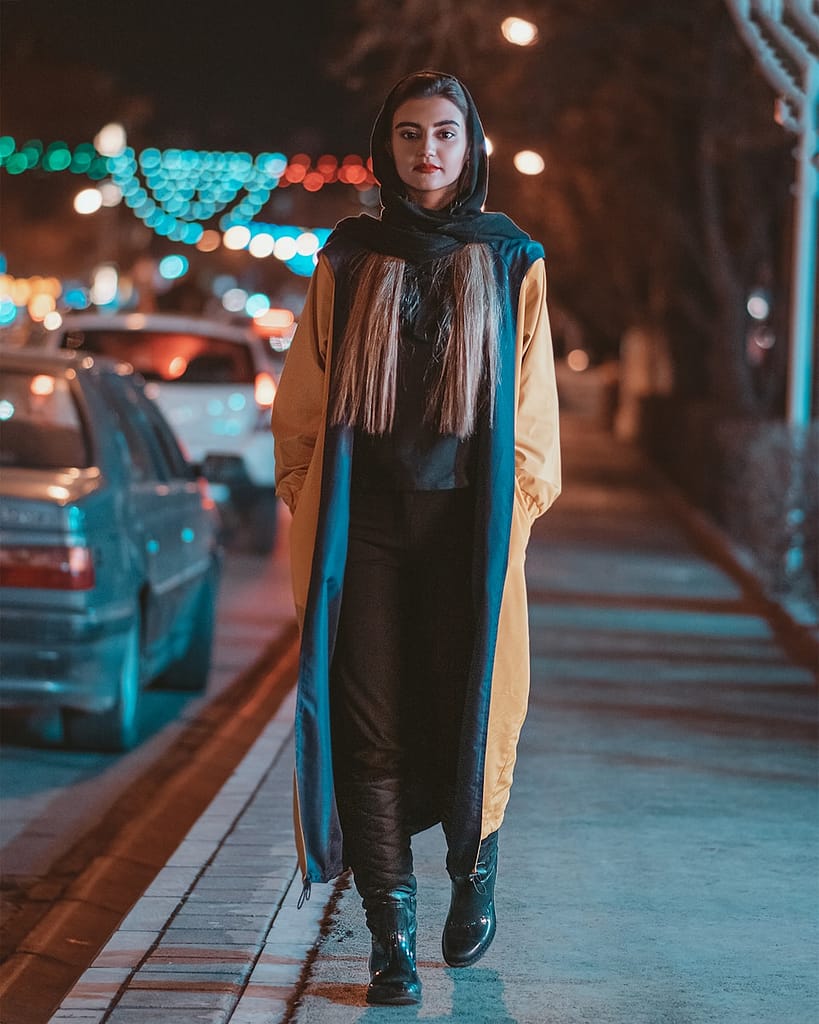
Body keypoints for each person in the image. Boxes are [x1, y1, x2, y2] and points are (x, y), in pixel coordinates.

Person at [271, 69, 561, 1007]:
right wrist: (303, 492)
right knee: (369, 730)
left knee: (470, 711)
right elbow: (305, 405)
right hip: (366, 536)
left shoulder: (512, 258)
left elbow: (533, 423)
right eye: (407, 134)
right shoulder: (349, 256)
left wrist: (511, 518)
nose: (426, 151)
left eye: (443, 132)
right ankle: (388, 936)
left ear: (470, 143)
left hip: (465, 538)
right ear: (385, 146)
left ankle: (474, 870)